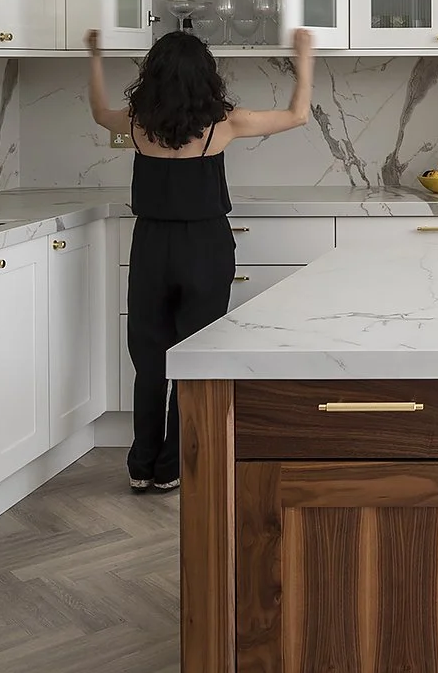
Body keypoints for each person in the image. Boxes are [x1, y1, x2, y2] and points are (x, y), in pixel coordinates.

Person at [86, 26, 314, 492]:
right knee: (193, 358)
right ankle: (173, 466)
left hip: (150, 245)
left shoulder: (136, 122)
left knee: (149, 359)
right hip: (204, 247)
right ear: (205, 77)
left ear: (153, 76)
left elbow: (96, 112)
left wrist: (94, 55)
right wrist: (303, 56)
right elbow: (297, 115)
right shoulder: (222, 123)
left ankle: (141, 464)